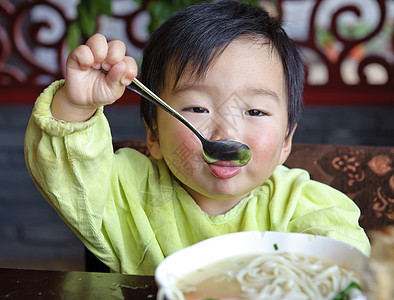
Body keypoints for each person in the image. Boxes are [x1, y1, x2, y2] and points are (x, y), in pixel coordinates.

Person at [24, 0, 370, 275]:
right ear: (154, 134)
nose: (226, 133)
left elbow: (343, 258)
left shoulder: (307, 207)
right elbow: (69, 177)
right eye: (197, 109)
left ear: (285, 142)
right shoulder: (127, 193)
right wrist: (75, 105)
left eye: (255, 112)